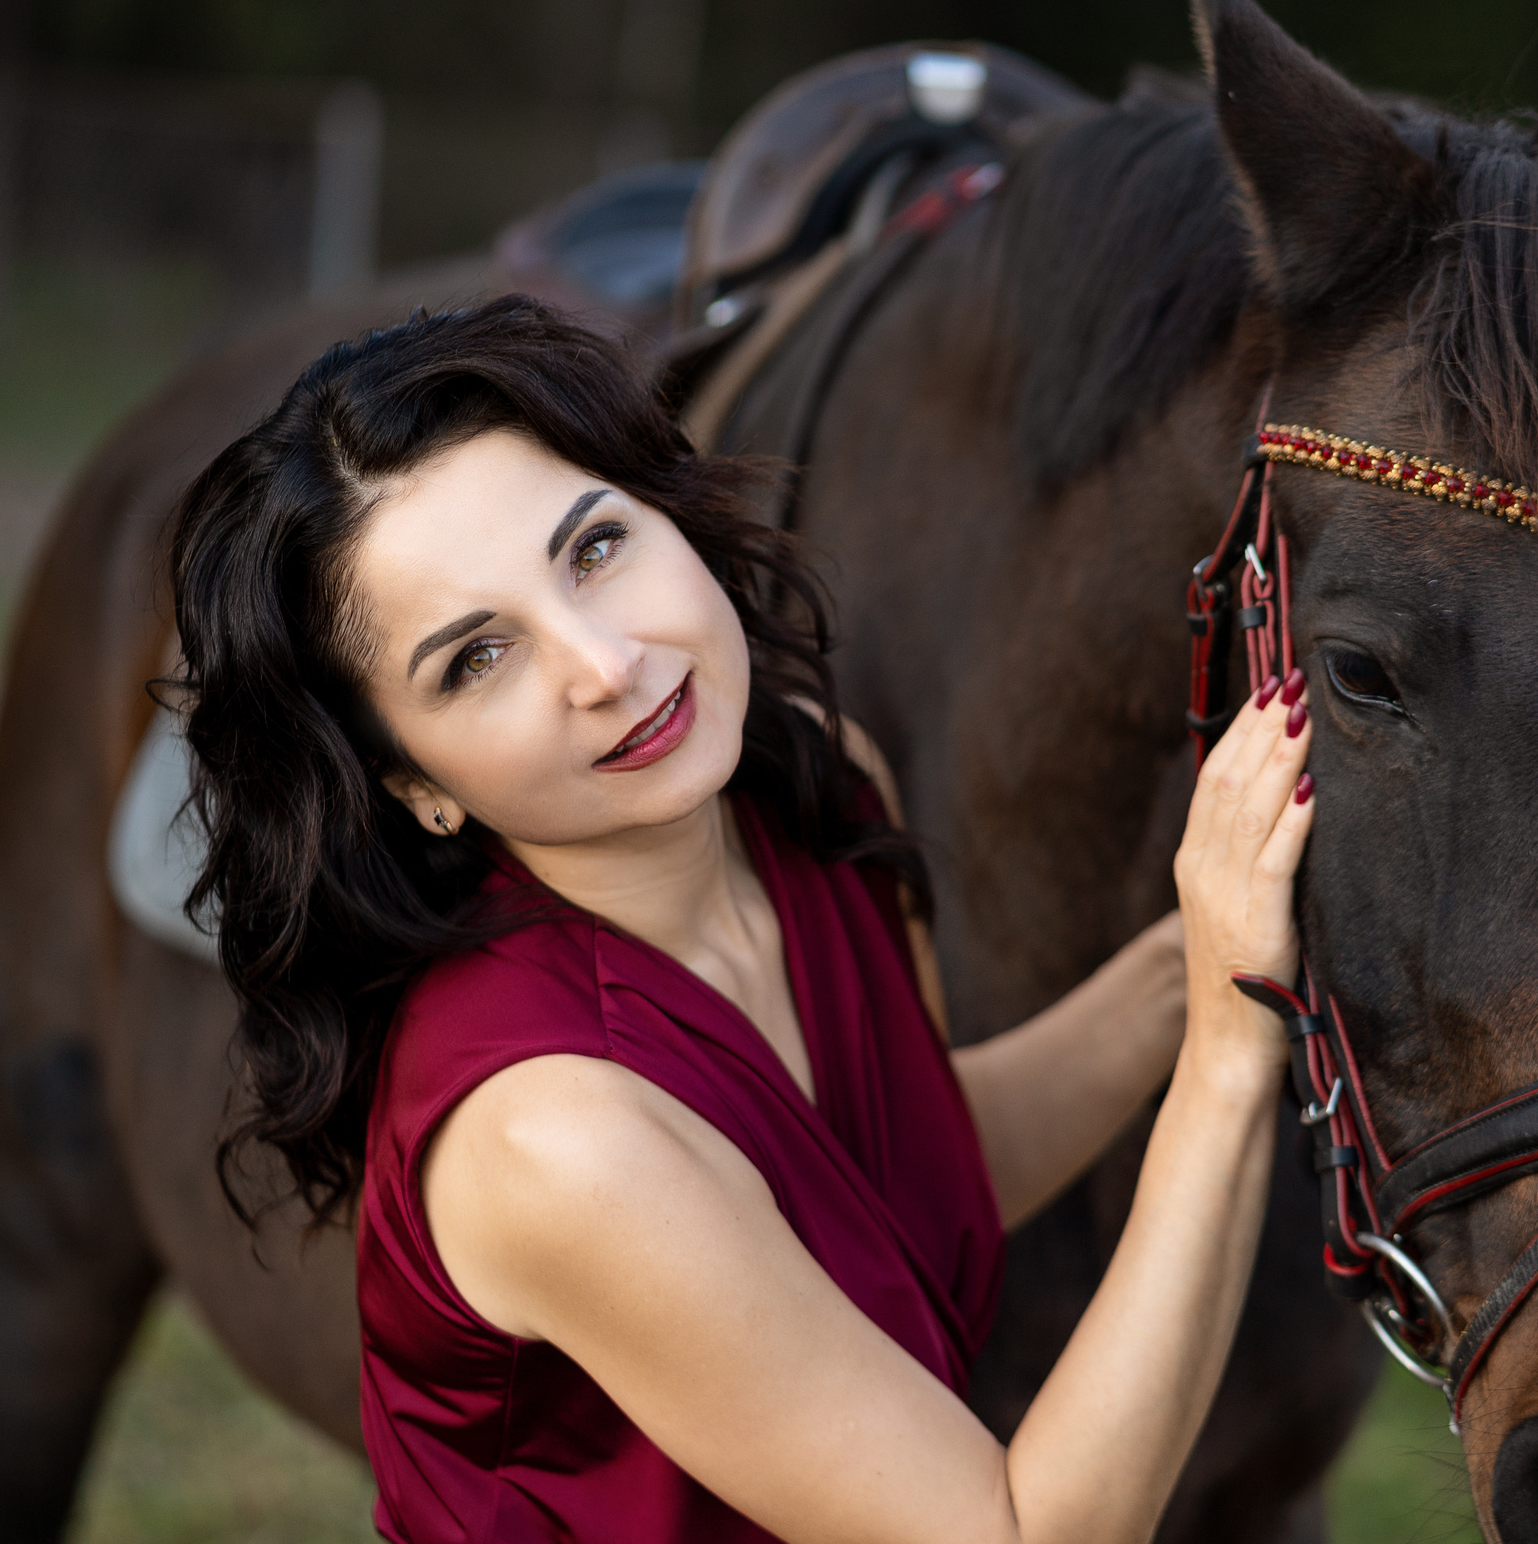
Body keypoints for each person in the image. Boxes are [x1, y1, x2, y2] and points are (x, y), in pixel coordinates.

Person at [166, 295, 1318, 1544]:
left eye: (594, 548)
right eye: (476, 659)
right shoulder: (555, 1137)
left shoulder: (815, 784)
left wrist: (1208, 945)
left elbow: (916, 1176)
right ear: (414, 785)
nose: (603, 664)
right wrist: (1224, 1045)